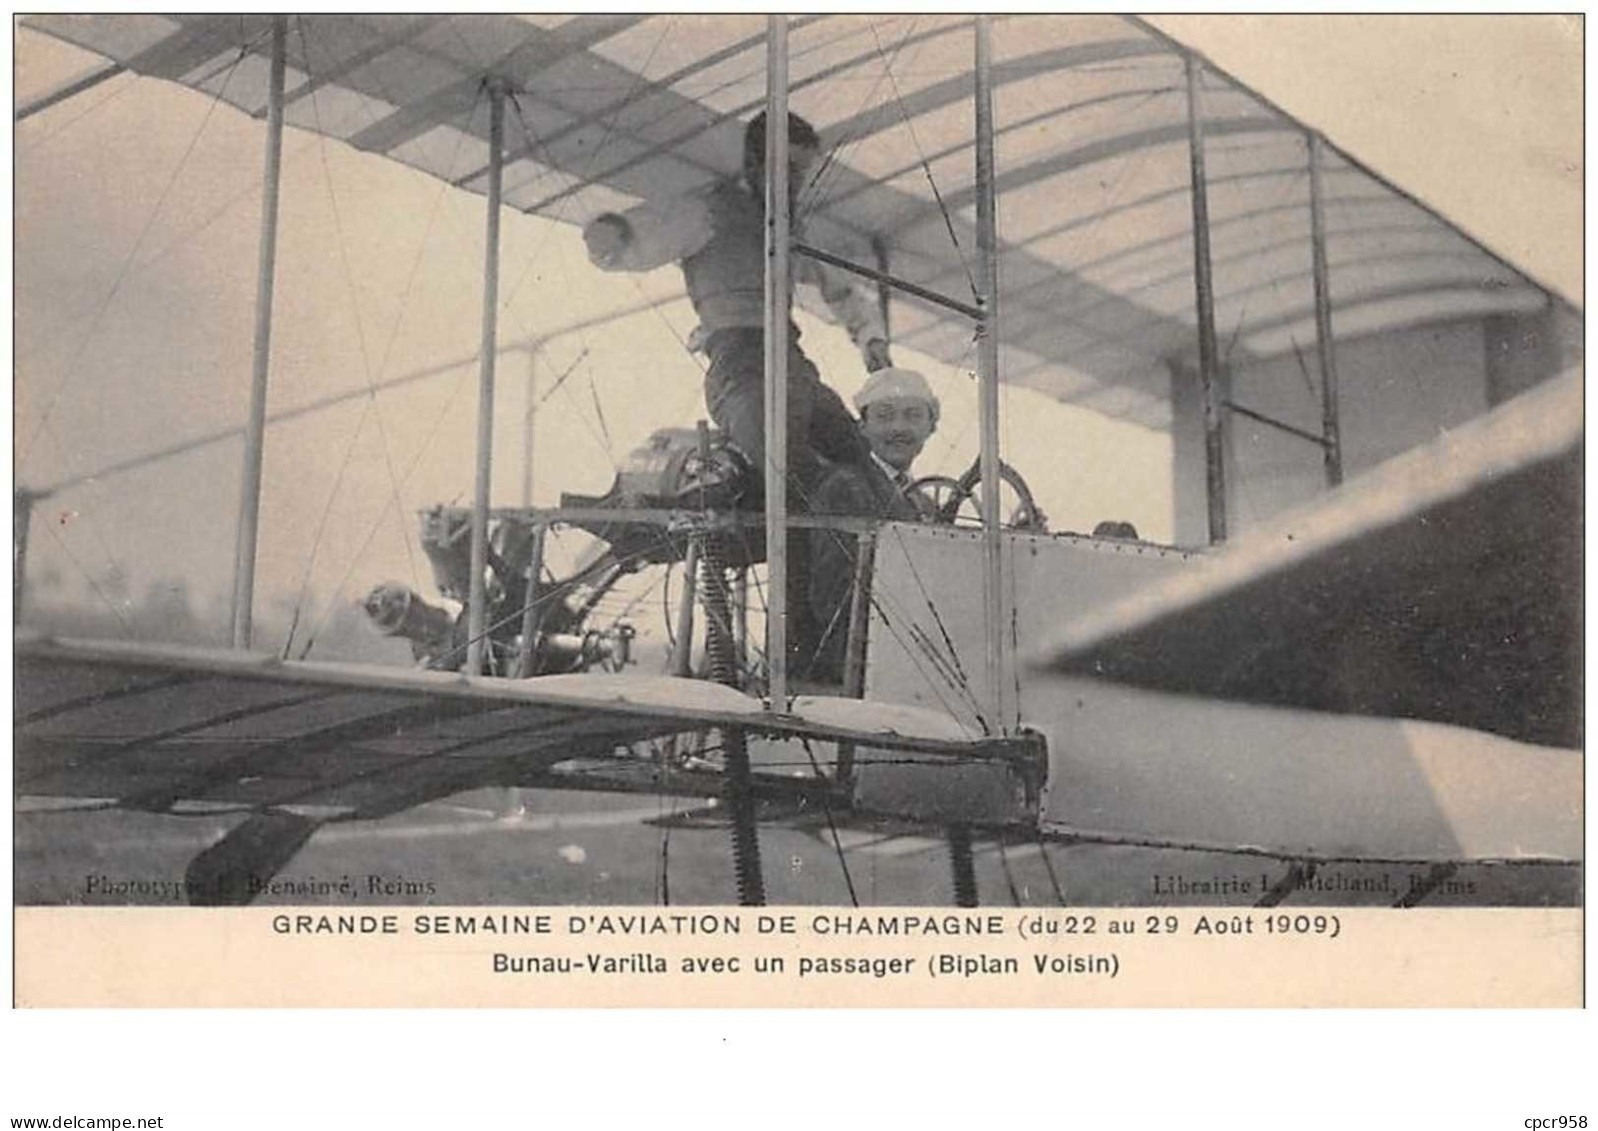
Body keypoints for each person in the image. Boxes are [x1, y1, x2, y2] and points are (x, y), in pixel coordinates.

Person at [583, 110, 892, 497]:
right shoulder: (708, 212)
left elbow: (840, 288)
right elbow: (639, 240)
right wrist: (610, 236)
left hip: (792, 364)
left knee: (855, 452)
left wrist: (870, 338)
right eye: (786, 170)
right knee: (787, 470)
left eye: (800, 173)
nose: (794, 184)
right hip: (739, 364)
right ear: (753, 164)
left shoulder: (790, 228)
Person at [799, 367, 941, 683]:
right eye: (885, 416)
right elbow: (834, 597)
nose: (899, 428)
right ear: (862, 427)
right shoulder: (845, 487)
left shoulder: (925, 502)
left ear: (932, 426)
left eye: (913, 416)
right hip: (862, 663)